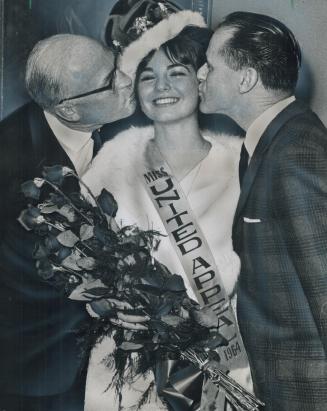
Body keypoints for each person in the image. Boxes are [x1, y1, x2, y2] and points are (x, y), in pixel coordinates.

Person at [83, 3, 251, 410]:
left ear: (201, 78)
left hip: (220, 365)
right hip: (124, 367)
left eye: (177, 73)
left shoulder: (241, 165)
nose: (162, 88)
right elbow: (83, 268)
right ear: (134, 89)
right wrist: (101, 303)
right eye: (147, 77)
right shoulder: (110, 163)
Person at [198, 11, 327, 411]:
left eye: (210, 64)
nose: (199, 74)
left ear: (246, 78)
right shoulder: (269, 141)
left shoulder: (295, 154)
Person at [0, 34, 135, 411]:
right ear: (70, 111)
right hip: (40, 367)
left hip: (111, 364)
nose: (127, 80)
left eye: (118, 63)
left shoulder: (122, 119)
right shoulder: (11, 164)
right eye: (111, 80)